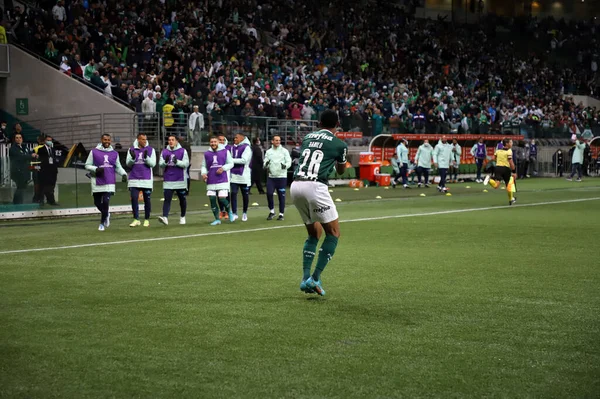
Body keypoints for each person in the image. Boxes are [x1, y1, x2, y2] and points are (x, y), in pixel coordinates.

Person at [290, 109, 348, 296]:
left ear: (319, 123)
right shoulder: (340, 144)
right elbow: (340, 171)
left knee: (314, 233)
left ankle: (304, 278)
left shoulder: (307, 137)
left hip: (296, 186)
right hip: (315, 186)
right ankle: (315, 278)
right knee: (333, 233)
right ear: (337, 125)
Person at [84, 134, 128, 231]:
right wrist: (96, 169)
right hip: (97, 181)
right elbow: (87, 165)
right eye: (105, 140)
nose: (107, 141)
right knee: (97, 203)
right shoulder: (94, 152)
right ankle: (106, 214)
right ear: (101, 140)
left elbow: (118, 167)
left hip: (109, 181)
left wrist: (124, 174)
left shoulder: (114, 153)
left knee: (106, 202)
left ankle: (102, 224)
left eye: (108, 140)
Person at [201, 136, 234, 225]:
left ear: (218, 143)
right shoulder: (207, 154)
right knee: (212, 199)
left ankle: (229, 212)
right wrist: (203, 173)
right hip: (211, 179)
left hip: (222, 179)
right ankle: (217, 219)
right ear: (209, 143)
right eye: (211, 142)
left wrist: (223, 168)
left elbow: (231, 163)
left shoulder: (225, 152)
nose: (213, 144)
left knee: (222, 198)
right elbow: (204, 166)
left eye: (215, 142)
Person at [158, 134, 190, 225]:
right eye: (169, 140)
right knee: (167, 199)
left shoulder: (182, 151)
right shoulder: (164, 152)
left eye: (172, 140)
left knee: (182, 199)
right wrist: (165, 162)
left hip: (180, 179)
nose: (171, 141)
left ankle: (183, 216)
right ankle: (165, 217)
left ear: (176, 141)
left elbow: (186, 164)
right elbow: (160, 165)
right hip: (168, 179)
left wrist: (177, 162)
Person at [126, 133, 156, 227]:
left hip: (146, 179)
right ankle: (136, 219)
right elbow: (128, 163)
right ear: (138, 140)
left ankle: (146, 219)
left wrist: (146, 158)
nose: (144, 141)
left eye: (145, 139)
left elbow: (153, 164)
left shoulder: (151, 150)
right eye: (142, 139)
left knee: (147, 200)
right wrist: (133, 158)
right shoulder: (131, 149)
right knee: (134, 199)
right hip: (134, 178)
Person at [264, 135, 292, 220]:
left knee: (281, 195)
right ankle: (272, 211)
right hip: (271, 177)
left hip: (281, 176)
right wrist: (266, 164)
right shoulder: (269, 152)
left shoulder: (284, 151)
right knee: (269, 193)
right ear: (272, 141)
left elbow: (289, 161)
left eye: (279, 140)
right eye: (276, 140)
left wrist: (285, 166)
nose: (278, 142)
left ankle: (281, 214)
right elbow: (265, 161)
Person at [483, 138, 517, 205]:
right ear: (507, 144)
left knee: (496, 185)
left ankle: (489, 179)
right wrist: (514, 171)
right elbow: (511, 162)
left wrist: (486, 162)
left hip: (498, 168)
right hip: (506, 169)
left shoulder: (498, 151)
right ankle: (511, 199)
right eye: (511, 142)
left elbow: (493, 158)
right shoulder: (509, 151)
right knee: (509, 184)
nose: (512, 144)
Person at [9, 132, 38, 204]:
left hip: (25, 171)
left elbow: (28, 155)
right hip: (17, 171)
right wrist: (31, 156)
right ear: (14, 139)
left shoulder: (25, 147)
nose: (19, 139)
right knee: (20, 187)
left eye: (20, 137)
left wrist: (33, 155)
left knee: (22, 188)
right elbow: (21, 157)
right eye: (17, 138)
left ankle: (18, 202)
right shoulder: (13, 149)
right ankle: (17, 203)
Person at [229, 133, 252, 222]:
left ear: (242, 138)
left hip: (244, 176)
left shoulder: (247, 147)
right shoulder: (233, 147)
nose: (234, 139)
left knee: (245, 195)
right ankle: (234, 213)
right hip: (234, 175)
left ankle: (244, 212)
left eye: (236, 137)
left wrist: (231, 160)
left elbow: (244, 160)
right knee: (233, 193)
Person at [36, 135, 59, 206]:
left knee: (52, 186)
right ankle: (41, 200)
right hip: (45, 171)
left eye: (50, 140)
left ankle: (51, 201)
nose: (49, 141)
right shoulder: (41, 150)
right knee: (43, 186)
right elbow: (40, 160)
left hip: (53, 171)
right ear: (45, 141)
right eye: (48, 140)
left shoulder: (53, 150)